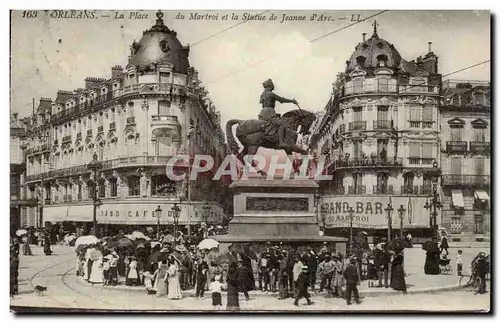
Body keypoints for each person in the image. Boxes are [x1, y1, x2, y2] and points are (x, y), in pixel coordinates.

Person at [259, 78, 298, 149]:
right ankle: (281, 142)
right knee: (282, 124)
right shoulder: (270, 94)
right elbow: (281, 100)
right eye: (272, 85)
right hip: (269, 112)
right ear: (270, 86)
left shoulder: (262, 94)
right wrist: (292, 101)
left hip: (262, 113)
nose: (274, 86)